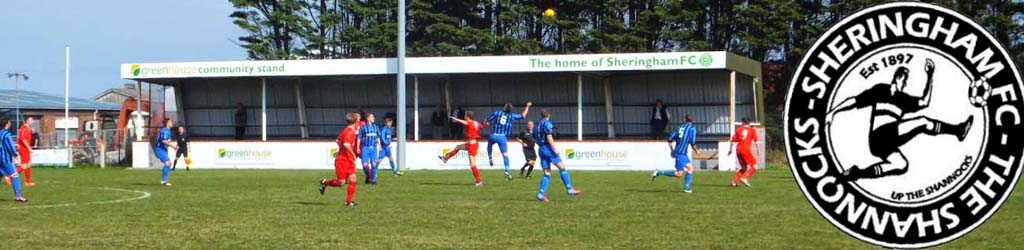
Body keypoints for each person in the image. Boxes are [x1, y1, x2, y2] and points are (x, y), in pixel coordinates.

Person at [826, 59, 971, 181]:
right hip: (879, 135)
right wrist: (833, 111)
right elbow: (854, 101)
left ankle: (857, 173)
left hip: (884, 145)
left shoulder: (904, 100)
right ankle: (958, 130)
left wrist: (930, 76)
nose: (905, 83)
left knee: (901, 165)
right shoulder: (880, 90)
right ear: (898, 78)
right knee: (923, 122)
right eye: (904, 79)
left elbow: (924, 102)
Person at [534, 109, 582, 202]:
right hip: (548, 148)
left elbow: (535, 137)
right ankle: (569, 189)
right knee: (561, 167)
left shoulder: (537, 126)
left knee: (547, 173)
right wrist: (554, 148)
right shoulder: (547, 124)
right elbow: (549, 137)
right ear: (549, 115)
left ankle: (541, 194)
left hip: (541, 149)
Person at [319, 112, 361, 207]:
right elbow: (346, 145)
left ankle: (349, 201)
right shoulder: (349, 131)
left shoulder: (348, 130)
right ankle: (324, 182)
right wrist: (353, 154)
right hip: (342, 160)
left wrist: (343, 149)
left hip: (349, 160)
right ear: (355, 121)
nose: (359, 121)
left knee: (353, 179)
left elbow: (338, 140)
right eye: (358, 119)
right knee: (341, 182)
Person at [651, 114, 700, 193]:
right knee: (679, 174)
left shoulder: (679, 127)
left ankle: (686, 188)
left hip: (681, 153)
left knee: (691, 168)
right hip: (681, 153)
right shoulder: (692, 129)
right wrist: (696, 150)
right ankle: (658, 172)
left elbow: (670, 139)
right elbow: (693, 142)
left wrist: (672, 150)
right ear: (693, 120)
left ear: (685, 119)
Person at [486, 101, 532, 180]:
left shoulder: (497, 113)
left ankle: (490, 157)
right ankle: (507, 171)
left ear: (504, 107)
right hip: (502, 137)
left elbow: (487, 120)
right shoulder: (511, 116)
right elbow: (523, 116)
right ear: (511, 110)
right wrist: (527, 106)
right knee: (505, 155)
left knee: (489, 145)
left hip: (493, 135)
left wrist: (487, 123)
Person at [438, 111, 484, 186]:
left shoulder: (470, 123)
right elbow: (481, 126)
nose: (464, 117)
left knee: (473, 165)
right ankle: (445, 159)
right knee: (458, 147)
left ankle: (479, 181)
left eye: (465, 115)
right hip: (471, 144)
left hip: (472, 145)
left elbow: (465, 122)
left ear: (468, 117)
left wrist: (456, 119)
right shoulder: (476, 123)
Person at [728, 118, 760, 187]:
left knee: (744, 168)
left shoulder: (738, 130)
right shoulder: (752, 130)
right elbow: (756, 141)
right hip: (746, 150)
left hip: (738, 151)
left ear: (743, 122)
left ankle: (734, 182)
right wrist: (758, 149)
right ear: (749, 123)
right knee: (755, 167)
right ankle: (744, 178)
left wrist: (730, 150)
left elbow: (733, 141)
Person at [0, 118, 26, 202]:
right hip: (6, 160)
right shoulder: (7, 134)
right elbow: (10, 146)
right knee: (15, 176)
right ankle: (18, 196)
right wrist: (16, 154)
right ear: (7, 123)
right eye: (10, 122)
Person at [358, 113, 382, 185]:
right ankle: (368, 176)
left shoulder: (376, 127)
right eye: (372, 117)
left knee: (374, 164)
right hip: (365, 147)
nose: (374, 118)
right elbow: (359, 137)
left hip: (374, 147)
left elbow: (377, 137)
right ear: (368, 118)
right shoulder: (363, 127)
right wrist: (357, 147)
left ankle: (374, 180)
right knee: (365, 165)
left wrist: (380, 145)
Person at [12, 117, 34, 186]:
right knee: (24, 165)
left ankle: (28, 181)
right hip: (23, 148)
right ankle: (10, 177)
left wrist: (31, 132)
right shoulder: (24, 128)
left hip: (24, 148)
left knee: (28, 164)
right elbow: (23, 139)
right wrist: (28, 147)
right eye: (31, 120)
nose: (32, 122)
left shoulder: (26, 129)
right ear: (27, 121)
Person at [155, 119, 177, 186]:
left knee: (169, 163)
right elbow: (164, 141)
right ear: (167, 123)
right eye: (170, 122)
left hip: (163, 149)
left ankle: (165, 180)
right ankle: (164, 180)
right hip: (160, 149)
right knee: (168, 163)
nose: (172, 123)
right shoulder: (165, 131)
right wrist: (173, 146)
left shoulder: (168, 131)